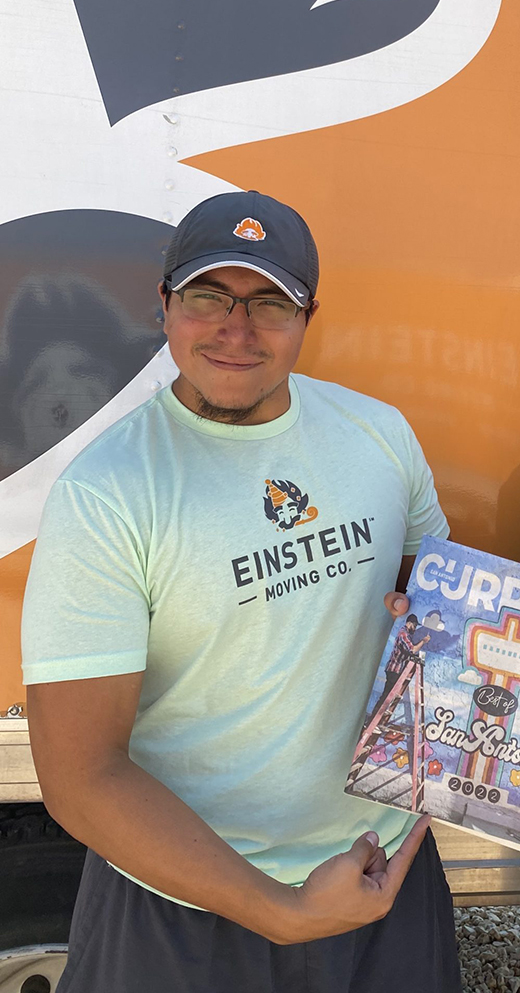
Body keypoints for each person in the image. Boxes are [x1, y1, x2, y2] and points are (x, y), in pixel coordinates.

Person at [21, 190, 461, 993]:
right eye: (208, 296)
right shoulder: (110, 492)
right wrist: (277, 909)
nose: (236, 327)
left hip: (378, 874)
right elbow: (81, 777)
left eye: (269, 302)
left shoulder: (379, 435)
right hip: (185, 907)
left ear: (307, 318)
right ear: (164, 306)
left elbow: (445, 610)